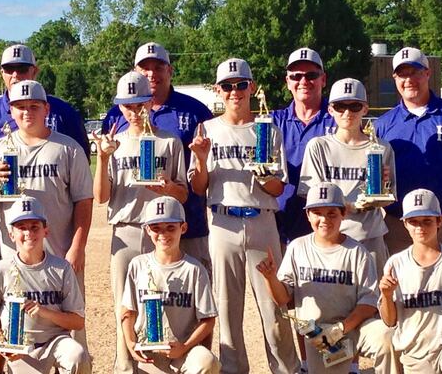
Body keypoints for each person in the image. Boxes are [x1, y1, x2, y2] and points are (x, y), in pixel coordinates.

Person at [188, 58, 299, 374]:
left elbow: (278, 188)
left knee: (274, 307)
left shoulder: (267, 129)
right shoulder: (207, 129)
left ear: (252, 87)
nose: (234, 91)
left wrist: (263, 176)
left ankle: (286, 369)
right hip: (222, 221)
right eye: (227, 85)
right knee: (227, 308)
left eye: (240, 84)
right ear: (218, 90)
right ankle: (234, 369)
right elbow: (198, 187)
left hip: (261, 220)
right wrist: (201, 159)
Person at [0, 80, 93, 353]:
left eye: (34, 106)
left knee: (73, 335)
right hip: (15, 259)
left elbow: (84, 201)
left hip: (61, 255)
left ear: (46, 109)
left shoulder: (68, 148)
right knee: (16, 330)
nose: (27, 112)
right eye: (20, 107)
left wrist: (77, 247)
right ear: (11, 111)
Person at [93, 71, 189, 373]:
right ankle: (125, 366)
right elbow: (101, 197)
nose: (135, 112)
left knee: (163, 304)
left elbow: (184, 193)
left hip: (162, 234)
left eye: (140, 104)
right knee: (125, 307)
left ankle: (162, 367)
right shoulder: (115, 144)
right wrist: (103, 159)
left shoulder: (169, 141)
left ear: (150, 102)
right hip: (127, 231)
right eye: (128, 106)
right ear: (119, 107)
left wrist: (168, 188)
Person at [0, 44, 90, 272]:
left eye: (22, 69)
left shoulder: (65, 119)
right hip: (1, 234)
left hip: (58, 242)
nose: (16, 75)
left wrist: (78, 247)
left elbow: (82, 194)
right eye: (9, 69)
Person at [257, 183, 398, 374]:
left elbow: (369, 304)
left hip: (353, 329)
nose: (324, 219)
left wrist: (340, 329)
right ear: (308, 215)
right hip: (317, 335)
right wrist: (270, 278)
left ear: (343, 214)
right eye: (317, 213)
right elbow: (282, 299)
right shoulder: (297, 248)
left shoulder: (357, 252)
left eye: (331, 213)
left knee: (386, 336)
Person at [102, 42, 213, 273]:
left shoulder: (195, 110)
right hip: (134, 221)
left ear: (170, 70)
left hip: (188, 223)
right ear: (135, 71)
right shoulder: (116, 116)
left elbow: (208, 166)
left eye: (158, 67)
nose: (152, 73)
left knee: (187, 291)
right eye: (145, 68)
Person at [375, 47, 442, 256]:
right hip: (399, 223)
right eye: (402, 74)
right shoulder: (383, 125)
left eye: (415, 72)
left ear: (427, 73)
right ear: (395, 78)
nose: (409, 79)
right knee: (397, 277)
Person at [0, 196, 91, 374]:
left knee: (77, 356)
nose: (28, 233)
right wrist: (2, 344)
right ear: (11, 234)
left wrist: (45, 312)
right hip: (21, 347)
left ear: (45, 230)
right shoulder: (0, 270)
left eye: (34, 227)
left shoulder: (61, 268)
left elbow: (78, 322)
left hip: (56, 340)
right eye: (21, 227)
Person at [379, 189, 442, 373]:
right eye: (414, 221)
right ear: (405, 223)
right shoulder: (395, 264)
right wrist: (386, 295)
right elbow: (390, 321)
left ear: (439, 221)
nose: (420, 227)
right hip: (414, 355)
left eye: (427, 221)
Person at [298, 78, 396, 272]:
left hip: (370, 237)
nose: (347, 112)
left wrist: (380, 190)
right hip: (331, 238)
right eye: (340, 106)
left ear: (365, 109)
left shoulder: (381, 148)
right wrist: (349, 206)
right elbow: (312, 196)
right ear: (330, 110)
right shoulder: (319, 146)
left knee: (375, 291)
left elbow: (389, 198)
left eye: (354, 106)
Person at [121, 196, 220, 374]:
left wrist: (184, 347)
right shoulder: (138, 265)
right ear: (147, 230)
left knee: (206, 361)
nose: (163, 234)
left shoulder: (194, 269)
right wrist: (130, 343)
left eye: (170, 228)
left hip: (183, 353)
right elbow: (128, 313)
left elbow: (208, 319)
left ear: (183, 228)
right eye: (156, 228)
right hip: (150, 355)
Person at [272, 48, 337, 245]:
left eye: (311, 75)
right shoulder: (272, 122)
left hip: (325, 224)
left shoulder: (338, 119)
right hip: (279, 223)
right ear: (287, 81)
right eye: (296, 76)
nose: (303, 81)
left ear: (323, 79)